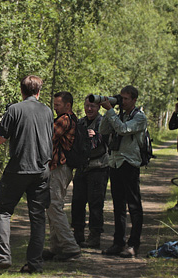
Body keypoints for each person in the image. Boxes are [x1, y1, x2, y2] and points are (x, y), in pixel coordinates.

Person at [0, 75, 53, 274]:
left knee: (3, 210)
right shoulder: (47, 111)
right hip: (41, 169)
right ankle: (35, 263)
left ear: (21, 91)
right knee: (38, 216)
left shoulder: (14, 109)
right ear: (39, 91)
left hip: (19, 168)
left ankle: (3, 257)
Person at [98, 85, 147, 258]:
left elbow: (123, 129)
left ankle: (134, 244)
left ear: (134, 100)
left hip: (129, 163)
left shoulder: (139, 117)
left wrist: (110, 111)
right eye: (121, 98)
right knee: (118, 205)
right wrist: (107, 111)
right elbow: (103, 131)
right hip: (115, 163)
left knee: (133, 205)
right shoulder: (118, 115)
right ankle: (118, 243)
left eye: (126, 99)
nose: (123, 101)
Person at [43, 91, 82, 262]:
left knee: (54, 206)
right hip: (61, 168)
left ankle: (70, 247)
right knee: (52, 206)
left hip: (60, 167)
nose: (55, 107)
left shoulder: (64, 119)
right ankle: (56, 247)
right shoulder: (72, 119)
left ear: (68, 105)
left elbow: (47, 137)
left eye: (58, 105)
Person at [71, 96, 109, 249]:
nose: (89, 109)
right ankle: (77, 234)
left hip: (98, 167)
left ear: (98, 107)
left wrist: (94, 136)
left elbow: (101, 142)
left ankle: (95, 235)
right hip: (82, 166)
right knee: (77, 202)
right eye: (87, 106)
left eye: (92, 106)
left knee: (95, 202)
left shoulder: (103, 122)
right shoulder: (80, 122)